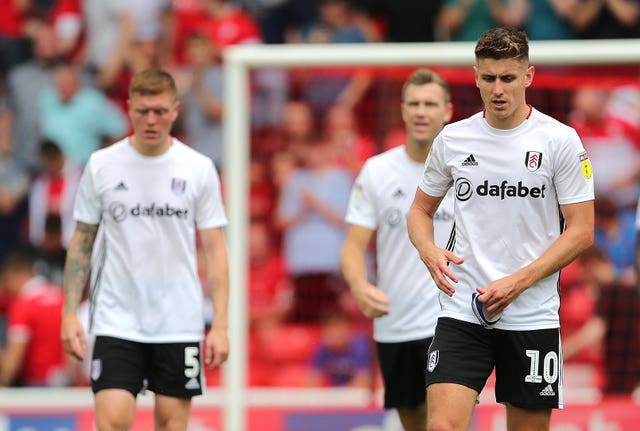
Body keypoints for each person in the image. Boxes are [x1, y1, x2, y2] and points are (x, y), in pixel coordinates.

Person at [407, 27, 594, 431]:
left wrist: (518, 282)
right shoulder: (453, 139)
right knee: (441, 427)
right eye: (488, 78)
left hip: (531, 315)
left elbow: (582, 231)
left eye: (507, 78)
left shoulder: (560, 141)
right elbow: (419, 211)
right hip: (463, 309)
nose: (498, 89)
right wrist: (428, 249)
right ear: (475, 76)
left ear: (527, 76)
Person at [60, 68, 230, 431]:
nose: (151, 120)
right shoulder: (102, 165)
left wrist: (220, 325)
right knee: (112, 423)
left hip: (178, 321)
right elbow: (82, 242)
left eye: (159, 111)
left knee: (171, 424)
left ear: (175, 110)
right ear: (129, 108)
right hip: (116, 318)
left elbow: (215, 251)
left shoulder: (198, 169)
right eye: (142, 111)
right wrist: (69, 312)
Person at [341, 68, 454, 431]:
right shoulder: (376, 172)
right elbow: (353, 248)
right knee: (415, 424)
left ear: (447, 111)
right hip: (397, 322)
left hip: (453, 320)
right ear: (403, 110)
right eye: (414, 104)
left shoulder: (467, 171)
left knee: (445, 423)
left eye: (430, 104)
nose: (422, 112)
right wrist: (360, 287)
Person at [0, 249, 68, 387]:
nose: (7, 289)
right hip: (66, 385)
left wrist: (4, 382)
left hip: (34, 389)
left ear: (16, 275)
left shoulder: (24, 304)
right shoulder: (62, 296)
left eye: (7, 281)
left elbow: (14, 360)